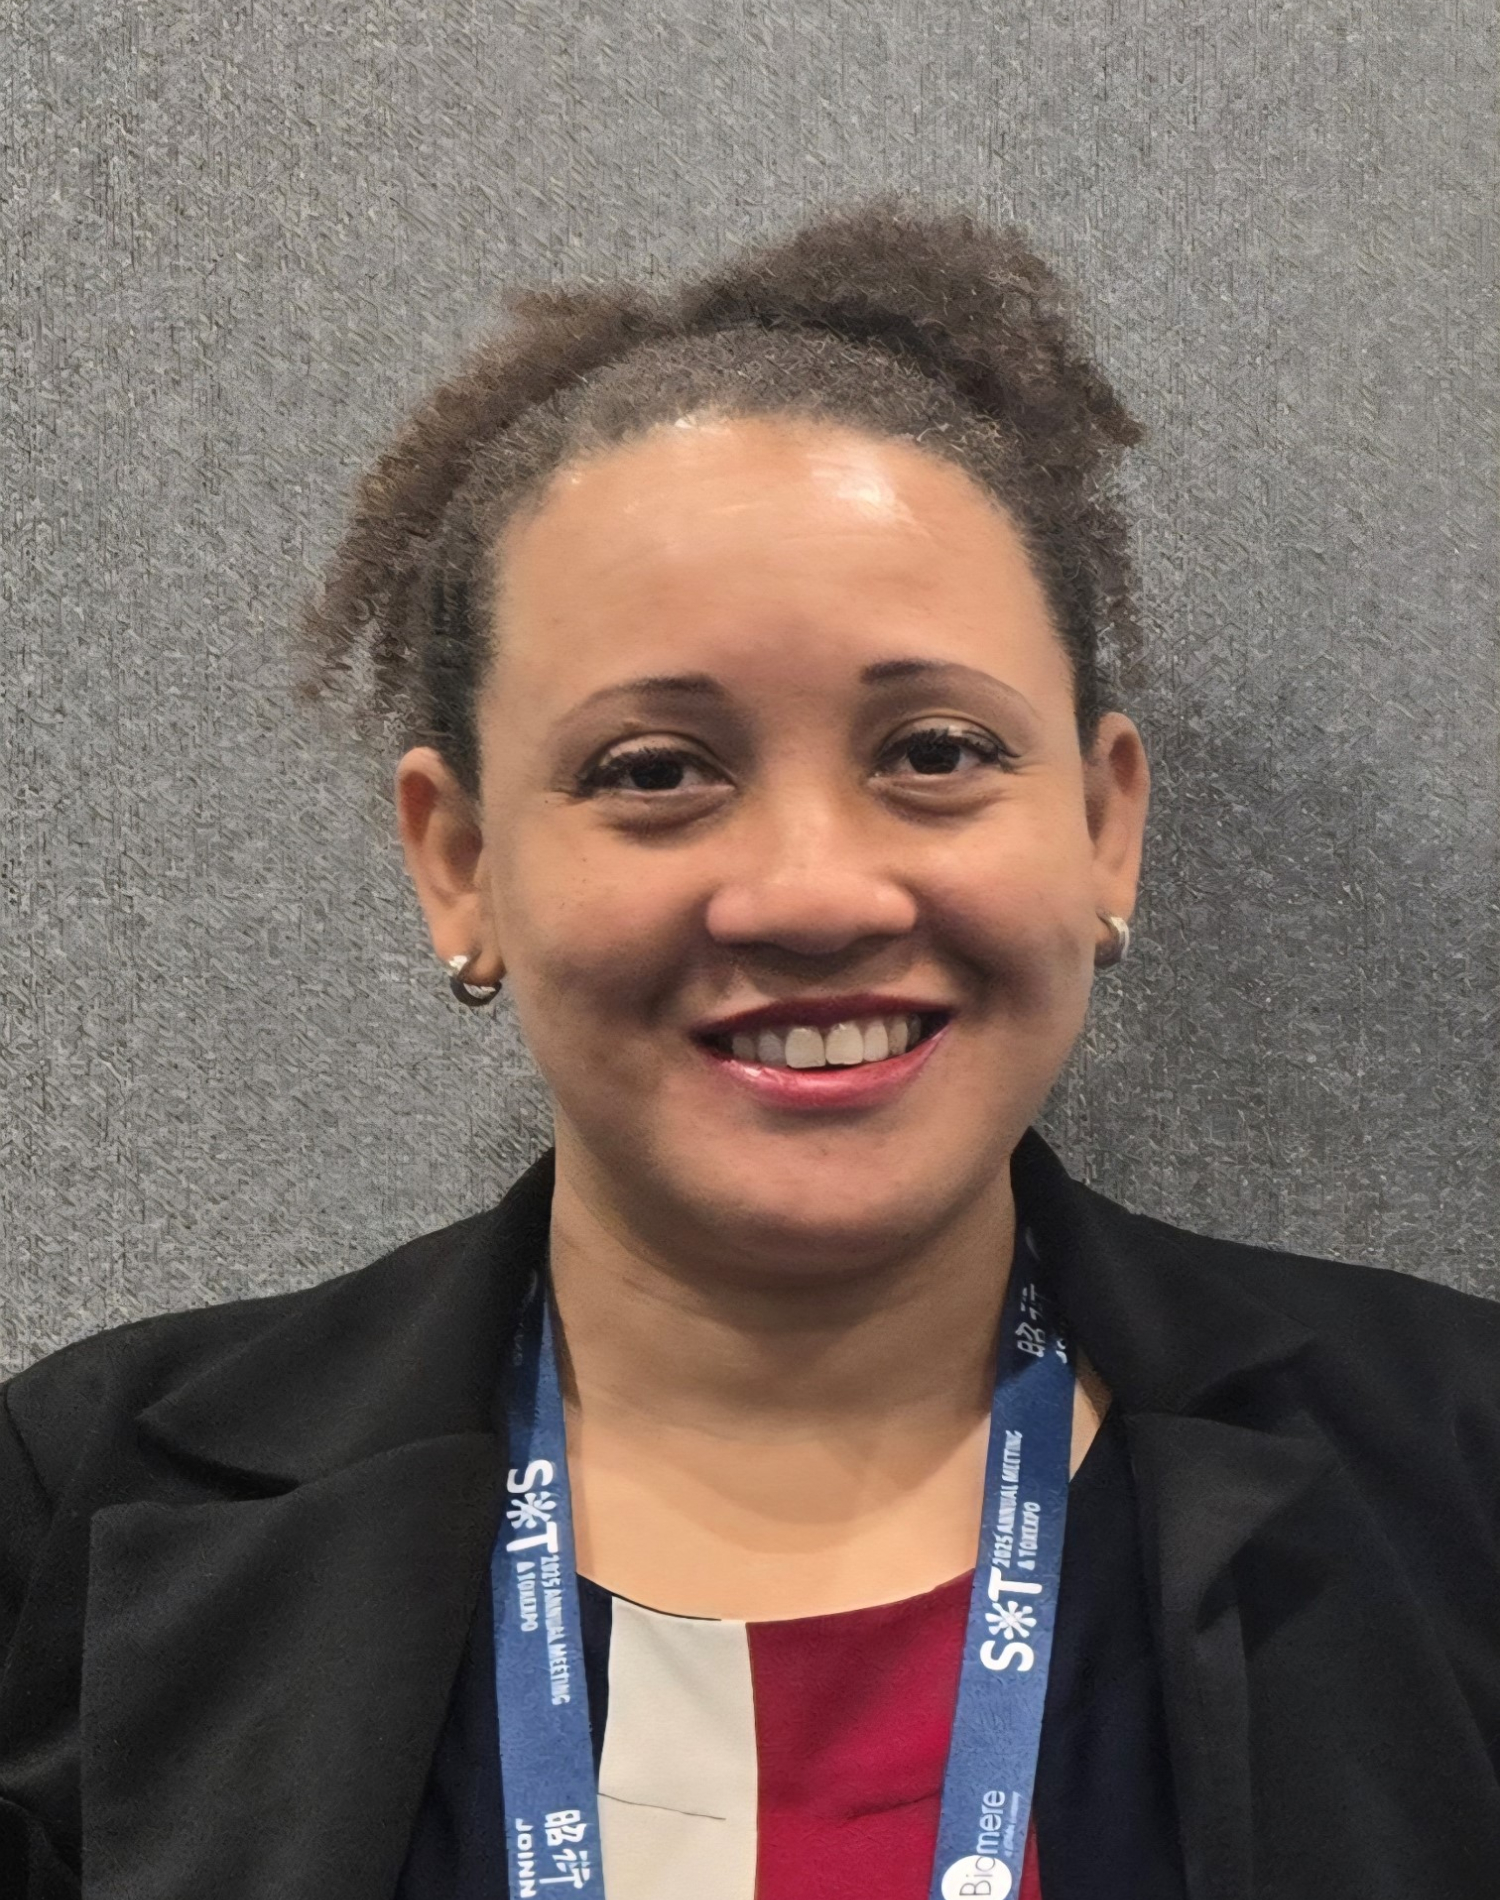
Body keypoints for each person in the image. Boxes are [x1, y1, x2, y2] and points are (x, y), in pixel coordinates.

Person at [2, 201, 1497, 1900]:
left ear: (1104, 828)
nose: (811, 893)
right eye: (654, 771)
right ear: (461, 863)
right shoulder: (70, 1524)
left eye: (935, 750)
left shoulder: (1460, 1471)